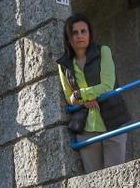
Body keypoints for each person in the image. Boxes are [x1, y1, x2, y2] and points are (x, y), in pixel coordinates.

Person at [56, 13, 131, 173]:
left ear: (90, 34)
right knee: (94, 181)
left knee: (116, 176)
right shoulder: (64, 64)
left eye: (84, 31)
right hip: (86, 129)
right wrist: (84, 101)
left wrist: (81, 95)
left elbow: (107, 85)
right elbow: (70, 98)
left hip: (113, 121)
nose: (79, 36)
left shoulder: (103, 51)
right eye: (74, 33)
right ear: (68, 38)